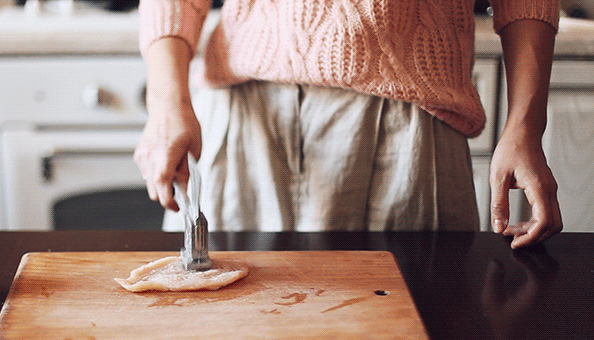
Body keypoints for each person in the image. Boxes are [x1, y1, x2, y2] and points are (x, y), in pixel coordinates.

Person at [133, 0, 563, 249]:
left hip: (408, 126)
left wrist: (526, 125)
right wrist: (166, 101)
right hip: (242, 116)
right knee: (219, 339)